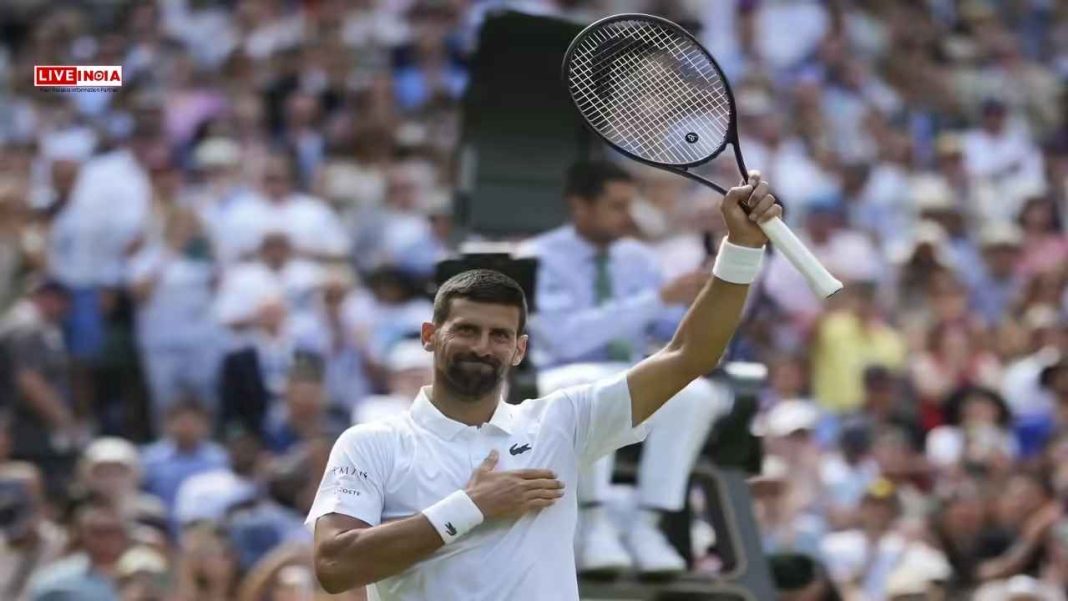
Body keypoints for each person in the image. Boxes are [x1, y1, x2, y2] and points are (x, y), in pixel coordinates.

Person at [305, 171, 781, 599]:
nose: (482, 346)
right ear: (431, 337)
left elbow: (688, 355)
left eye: (500, 336)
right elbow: (334, 566)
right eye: (467, 330)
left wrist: (740, 247)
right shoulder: (371, 442)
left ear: (519, 349)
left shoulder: (561, 423)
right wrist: (470, 507)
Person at [522, 161, 729, 575]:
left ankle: (647, 525)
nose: (628, 216)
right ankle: (593, 526)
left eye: (629, 205)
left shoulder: (640, 258)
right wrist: (657, 299)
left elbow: (666, 332)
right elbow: (565, 337)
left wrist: (709, 298)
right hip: (561, 374)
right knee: (593, 385)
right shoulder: (536, 258)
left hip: (630, 371)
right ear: (579, 206)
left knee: (696, 393)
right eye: (616, 206)